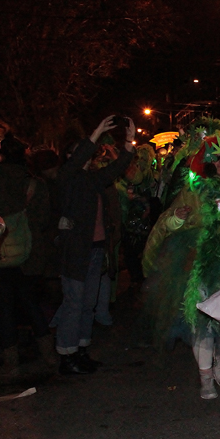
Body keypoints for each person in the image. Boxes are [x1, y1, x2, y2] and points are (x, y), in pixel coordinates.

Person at [142, 132, 220, 399]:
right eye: (217, 158)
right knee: (200, 320)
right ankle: (205, 378)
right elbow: (168, 223)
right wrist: (178, 218)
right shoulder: (193, 190)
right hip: (198, 264)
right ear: (208, 161)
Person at [55, 116, 135, 374]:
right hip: (76, 251)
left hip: (96, 248)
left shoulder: (91, 179)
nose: (87, 156)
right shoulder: (66, 177)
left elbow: (117, 168)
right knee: (74, 303)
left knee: (88, 303)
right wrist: (97, 131)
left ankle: (81, 349)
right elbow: (77, 160)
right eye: (78, 152)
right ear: (70, 156)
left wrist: (129, 142)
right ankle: (66, 355)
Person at [0, 131, 54, 373]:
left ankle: (12, 362)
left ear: (0, 155)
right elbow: (43, 220)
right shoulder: (34, 183)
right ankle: (49, 354)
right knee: (31, 303)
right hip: (29, 254)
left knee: (4, 306)